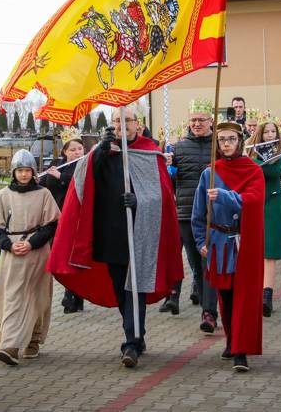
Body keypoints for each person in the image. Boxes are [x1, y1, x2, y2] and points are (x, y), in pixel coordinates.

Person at [46, 106, 183, 368]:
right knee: (122, 288)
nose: (121, 125)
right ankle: (135, 334)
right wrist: (100, 149)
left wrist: (139, 199)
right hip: (111, 233)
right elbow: (84, 179)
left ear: (137, 124)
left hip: (143, 234)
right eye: (116, 121)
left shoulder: (150, 153)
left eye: (126, 120)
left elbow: (163, 197)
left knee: (136, 288)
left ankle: (131, 342)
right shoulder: (103, 153)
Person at [192, 122, 265, 372]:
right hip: (219, 245)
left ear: (240, 141)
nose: (226, 144)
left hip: (244, 243)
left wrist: (226, 196)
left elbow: (254, 201)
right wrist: (201, 241)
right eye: (222, 139)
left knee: (243, 295)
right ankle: (232, 339)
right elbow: (198, 213)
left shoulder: (253, 170)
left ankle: (240, 350)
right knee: (225, 294)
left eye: (231, 139)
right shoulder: (210, 173)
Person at [0, 149, 60, 365]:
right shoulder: (3, 195)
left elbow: (51, 225)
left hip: (37, 252)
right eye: (20, 171)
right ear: (14, 172)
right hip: (13, 254)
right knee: (13, 297)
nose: (23, 175)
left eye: (27, 170)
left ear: (33, 172)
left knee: (38, 297)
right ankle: (9, 346)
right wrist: (9, 245)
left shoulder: (44, 194)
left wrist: (31, 243)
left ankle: (33, 340)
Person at [163, 98, 218, 334]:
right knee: (196, 264)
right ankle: (194, 293)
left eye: (201, 120)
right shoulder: (179, 147)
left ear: (211, 121)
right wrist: (168, 167)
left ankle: (209, 312)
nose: (197, 124)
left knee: (209, 264)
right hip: (186, 214)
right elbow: (170, 181)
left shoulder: (220, 145)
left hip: (214, 214)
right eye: (193, 120)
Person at [247, 120, 281, 317]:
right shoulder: (251, 150)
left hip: (273, 205)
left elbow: (273, 171)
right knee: (254, 252)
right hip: (254, 204)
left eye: (274, 131)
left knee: (270, 253)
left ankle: (267, 297)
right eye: (267, 132)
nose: (271, 135)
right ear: (260, 134)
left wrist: (252, 163)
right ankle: (254, 294)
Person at [40, 129, 86, 314]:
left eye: (80, 149)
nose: (77, 152)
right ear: (65, 151)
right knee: (59, 256)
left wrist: (62, 178)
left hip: (76, 218)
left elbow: (82, 183)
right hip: (57, 217)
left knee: (71, 258)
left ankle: (72, 295)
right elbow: (45, 187)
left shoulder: (84, 166)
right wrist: (37, 180)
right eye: (73, 149)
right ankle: (73, 294)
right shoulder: (55, 164)